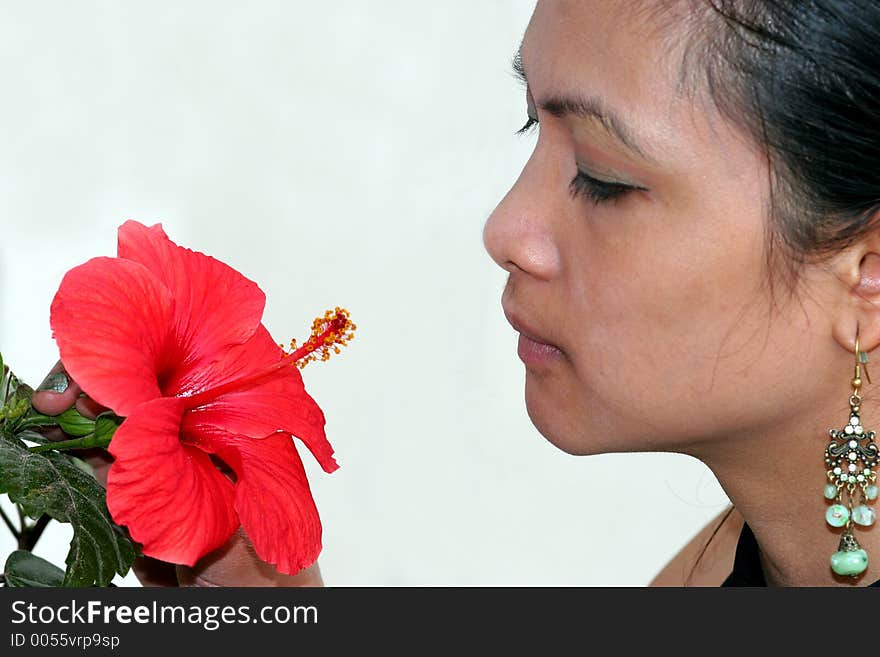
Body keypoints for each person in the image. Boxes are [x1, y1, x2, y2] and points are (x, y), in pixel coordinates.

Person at [32, 0, 880, 586]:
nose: (506, 228)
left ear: (867, 272)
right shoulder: (728, 564)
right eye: (530, 127)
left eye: (602, 176)